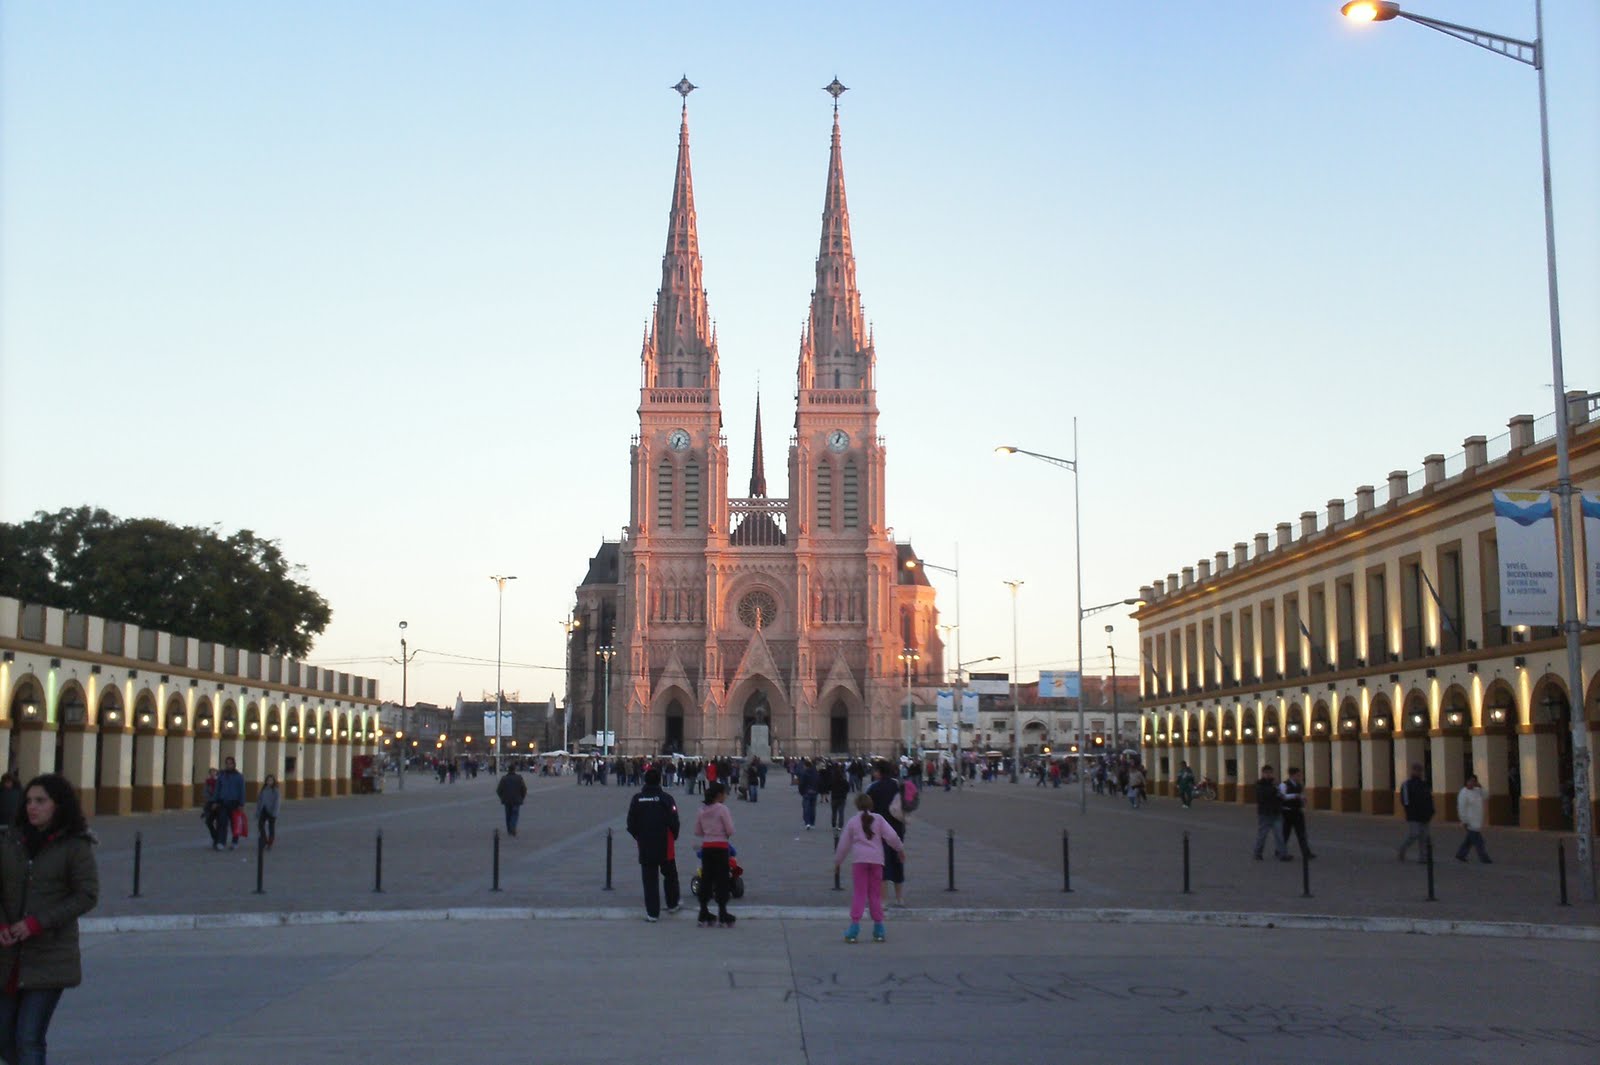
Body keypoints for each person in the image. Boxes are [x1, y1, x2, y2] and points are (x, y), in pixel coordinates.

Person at [0, 773, 99, 1065]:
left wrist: (38, 922)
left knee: (29, 1038)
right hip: (8, 956)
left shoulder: (75, 846)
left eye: (41, 801)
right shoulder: (9, 841)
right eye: (29, 800)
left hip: (49, 956)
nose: (32, 807)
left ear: (58, 804)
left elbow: (86, 895)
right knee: (5, 1038)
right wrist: (3, 924)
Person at [834, 793, 905, 943]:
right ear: (871, 805)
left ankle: (854, 928)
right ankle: (879, 929)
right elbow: (891, 836)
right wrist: (900, 849)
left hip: (859, 861)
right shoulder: (878, 819)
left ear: (857, 805)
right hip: (877, 861)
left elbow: (844, 844)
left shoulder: (853, 821)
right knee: (875, 895)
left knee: (860, 894)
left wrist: (838, 861)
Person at [626, 768, 681, 922]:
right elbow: (674, 820)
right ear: (659, 780)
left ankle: (652, 913)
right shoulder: (667, 799)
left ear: (645, 781)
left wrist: (638, 836)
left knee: (649, 879)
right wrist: (674, 835)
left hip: (645, 843)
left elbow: (630, 823)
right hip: (665, 844)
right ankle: (672, 904)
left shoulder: (637, 799)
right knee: (670, 875)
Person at [866, 762, 909, 906]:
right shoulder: (898, 786)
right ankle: (900, 898)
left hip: (880, 831)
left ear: (879, 772)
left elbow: (867, 810)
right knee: (898, 864)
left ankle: (883, 901)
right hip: (897, 829)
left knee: (882, 865)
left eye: (874, 770)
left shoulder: (873, 788)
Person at [693, 782, 735, 927]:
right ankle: (722, 912)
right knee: (722, 879)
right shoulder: (722, 809)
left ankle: (703, 912)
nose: (726, 796)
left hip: (707, 848)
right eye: (724, 793)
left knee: (706, 879)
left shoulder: (701, 810)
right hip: (721, 847)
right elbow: (730, 830)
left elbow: (698, 832)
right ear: (719, 795)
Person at [1398, 762, 1434, 863]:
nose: (1418, 772)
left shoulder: (1424, 784)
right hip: (1413, 815)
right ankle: (1402, 849)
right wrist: (1409, 811)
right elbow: (1405, 801)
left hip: (1425, 815)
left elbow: (1429, 798)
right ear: (1412, 771)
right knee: (1414, 834)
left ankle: (1423, 857)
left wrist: (1431, 811)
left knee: (1425, 836)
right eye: (1416, 770)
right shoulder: (1406, 784)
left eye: (1420, 770)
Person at [1253, 764, 1288, 861]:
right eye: (1266, 773)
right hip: (1265, 813)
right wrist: (1275, 789)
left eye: (1270, 773)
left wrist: (1280, 794)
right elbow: (1263, 796)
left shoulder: (1275, 784)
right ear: (1263, 773)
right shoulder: (1259, 784)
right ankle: (1257, 853)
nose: (1269, 775)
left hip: (1276, 812)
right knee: (1262, 835)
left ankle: (1283, 854)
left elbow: (1281, 796)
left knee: (1279, 835)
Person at [1454, 774, 1492, 864]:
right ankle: (1484, 858)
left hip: (1477, 820)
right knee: (1479, 841)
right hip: (1469, 821)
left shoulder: (1477, 790)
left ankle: (1460, 854)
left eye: (1474, 781)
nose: (1472, 783)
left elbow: (1486, 796)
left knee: (1469, 840)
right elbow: (1461, 807)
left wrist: (1481, 787)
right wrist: (1464, 820)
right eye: (1470, 781)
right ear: (1466, 782)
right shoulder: (1463, 793)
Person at [1278, 767, 1314, 859]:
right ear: (1291, 775)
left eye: (1299, 775)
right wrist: (1295, 796)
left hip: (1297, 811)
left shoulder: (1299, 785)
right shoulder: (1283, 785)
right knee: (1285, 833)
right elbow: (1283, 797)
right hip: (1287, 811)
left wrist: (1302, 799)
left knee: (1301, 833)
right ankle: (1280, 850)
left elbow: (1301, 795)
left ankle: (1306, 852)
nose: (1299, 777)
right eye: (1297, 775)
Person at [214, 757, 246, 850]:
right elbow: (217, 789)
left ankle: (235, 842)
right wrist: (215, 801)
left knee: (235, 823)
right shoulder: (222, 776)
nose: (228, 765)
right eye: (227, 763)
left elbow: (242, 791)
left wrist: (241, 804)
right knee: (222, 823)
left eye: (230, 763)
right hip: (223, 802)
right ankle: (221, 842)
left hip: (235, 803)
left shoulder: (239, 776)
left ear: (234, 764)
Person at [496, 765, 528, 837]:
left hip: (507, 800)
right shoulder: (519, 778)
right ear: (514, 769)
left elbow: (498, 790)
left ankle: (509, 829)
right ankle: (513, 827)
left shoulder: (504, 778)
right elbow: (524, 789)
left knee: (508, 815)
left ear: (508, 770)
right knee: (515, 814)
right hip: (516, 800)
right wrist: (522, 797)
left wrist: (502, 797)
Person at [256, 774, 280, 851]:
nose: (269, 782)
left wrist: (274, 813)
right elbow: (259, 801)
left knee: (271, 827)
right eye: (268, 780)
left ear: (273, 781)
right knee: (260, 825)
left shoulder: (276, 791)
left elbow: (277, 803)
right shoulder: (263, 789)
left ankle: (270, 842)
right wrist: (258, 811)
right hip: (263, 810)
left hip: (272, 811)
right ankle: (265, 839)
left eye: (271, 780)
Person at [797, 759, 819, 830]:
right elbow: (819, 782)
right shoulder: (816, 773)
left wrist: (801, 792)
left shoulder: (805, 773)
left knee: (806, 808)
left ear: (806, 766)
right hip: (814, 792)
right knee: (812, 808)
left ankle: (807, 823)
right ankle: (812, 823)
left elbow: (801, 784)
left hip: (806, 792)